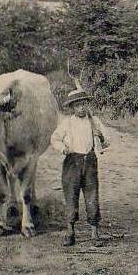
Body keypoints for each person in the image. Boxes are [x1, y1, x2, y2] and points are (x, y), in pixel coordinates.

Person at [50, 89, 109, 247]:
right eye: (77, 105)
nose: (81, 108)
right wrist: (63, 148)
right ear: (72, 108)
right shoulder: (67, 123)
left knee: (92, 197)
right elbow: (54, 139)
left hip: (89, 161)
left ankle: (94, 233)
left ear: (87, 105)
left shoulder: (94, 121)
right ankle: (70, 233)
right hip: (72, 162)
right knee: (71, 196)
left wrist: (100, 137)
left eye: (83, 104)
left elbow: (107, 141)